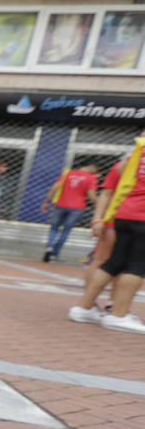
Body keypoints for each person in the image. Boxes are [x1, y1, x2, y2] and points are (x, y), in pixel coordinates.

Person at [69, 142, 145, 334]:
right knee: (137, 266)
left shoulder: (137, 155)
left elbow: (119, 171)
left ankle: (83, 308)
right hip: (141, 215)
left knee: (114, 262)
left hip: (124, 213)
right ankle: (118, 315)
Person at [41, 157, 99, 262]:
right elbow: (91, 195)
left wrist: (46, 201)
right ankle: (55, 254)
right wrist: (99, 205)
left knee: (54, 228)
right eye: (95, 168)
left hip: (60, 205)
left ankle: (49, 247)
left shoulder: (67, 174)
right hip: (77, 208)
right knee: (66, 230)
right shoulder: (91, 178)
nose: (95, 171)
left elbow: (55, 187)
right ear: (91, 166)